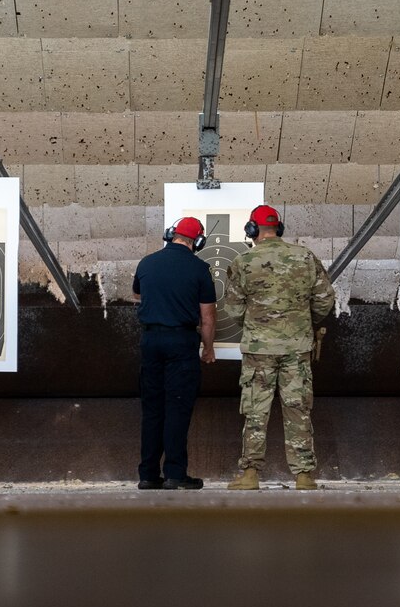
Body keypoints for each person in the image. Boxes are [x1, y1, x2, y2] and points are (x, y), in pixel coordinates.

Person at [216, 204, 335, 491]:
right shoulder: (304, 256)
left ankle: (251, 474)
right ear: (278, 228)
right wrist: (304, 322)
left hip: (259, 349)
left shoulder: (244, 261)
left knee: (256, 410)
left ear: (252, 230)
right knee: (298, 409)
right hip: (297, 347)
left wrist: (257, 323)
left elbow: (233, 308)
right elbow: (324, 299)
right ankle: (304, 475)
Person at [131, 216, 217, 490]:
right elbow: (208, 318)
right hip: (181, 342)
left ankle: (147, 474)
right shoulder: (200, 269)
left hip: (151, 340)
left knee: (152, 409)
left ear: (171, 235)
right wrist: (209, 348)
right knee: (177, 408)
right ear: (198, 241)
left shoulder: (147, 263)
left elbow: (137, 296)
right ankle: (174, 474)